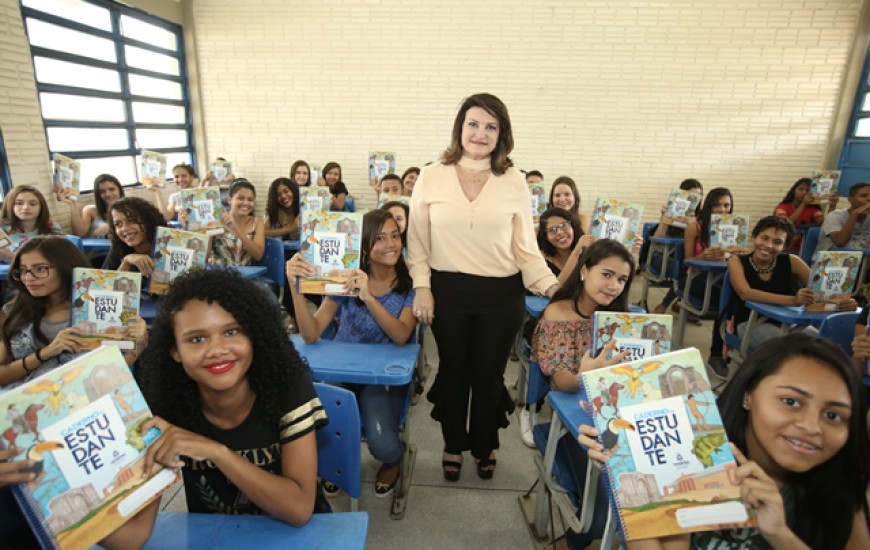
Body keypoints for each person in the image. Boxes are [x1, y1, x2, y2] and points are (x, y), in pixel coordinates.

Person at [579, 333, 870, 550]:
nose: (811, 426)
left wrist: (780, 535)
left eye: (833, 415)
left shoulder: (841, 491)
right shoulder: (693, 461)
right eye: (791, 401)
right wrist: (624, 468)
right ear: (748, 395)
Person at [407, 93, 559, 481]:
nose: (481, 133)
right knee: (454, 372)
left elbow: (526, 249)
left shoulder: (514, 180)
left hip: (501, 295)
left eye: (491, 126)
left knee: (489, 375)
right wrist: (422, 287)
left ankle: (485, 443)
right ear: (460, 128)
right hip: (448, 291)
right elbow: (418, 242)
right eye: (473, 123)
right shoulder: (431, 175)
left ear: (502, 135)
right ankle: (453, 443)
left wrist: (553, 287)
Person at [134, 268, 330, 531]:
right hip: (219, 537)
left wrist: (216, 452)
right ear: (175, 351)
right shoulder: (168, 402)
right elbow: (134, 537)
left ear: (253, 335)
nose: (217, 350)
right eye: (197, 339)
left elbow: (299, 509)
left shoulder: (287, 387)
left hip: (302, 536)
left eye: (231, 332)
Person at [286, 209, 415, 498]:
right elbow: (311, 333)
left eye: (395, 236)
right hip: (341, 370)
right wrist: (297, 289)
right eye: (380, 238)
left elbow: (401, 334)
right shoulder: (345, 279)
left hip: (381, 378)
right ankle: (335, 463)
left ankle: (395, 458)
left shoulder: (410, 287)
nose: (392, 243)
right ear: (364, 246)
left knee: (381, 443)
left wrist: (368, 297)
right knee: (326, 425)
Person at [530, 239, 634, 550]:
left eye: (622, 279)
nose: (614, 285)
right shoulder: (557, 314)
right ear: (584, 271)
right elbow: (560, 380)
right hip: (574, 425)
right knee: (602, 519)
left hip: (620, 421)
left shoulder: (623, 320)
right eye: (607, 274)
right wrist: (585, 375)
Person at [0, 236, 146, 389]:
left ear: (64, 266)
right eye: (23, 271)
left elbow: (114, 372)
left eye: (40, 269)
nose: (28, 278)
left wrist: (140, 342)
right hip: (22, 401)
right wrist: (46, 352)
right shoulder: (15, 311)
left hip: (83, 398)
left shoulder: (95, 307)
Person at [725, 215, 855, 357]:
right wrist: (793, 300)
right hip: (751, 324)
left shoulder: (792, 261)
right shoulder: (736, 261)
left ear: (785, 247)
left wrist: (844, 302)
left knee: (828, 349)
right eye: (764, 238)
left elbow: (822, 290)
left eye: (777, 242)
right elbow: (746, 293)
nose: (768, 245)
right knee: (793, 353)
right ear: (754, 237)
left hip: (790, 324)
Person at [647, 178, 704, 313]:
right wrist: (665, 218)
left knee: (693, 272)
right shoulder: (673, 209)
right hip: (662, 256)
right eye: (691, 196)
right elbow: (657, 238)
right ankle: (666, 305)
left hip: (685, 260)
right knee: (685, 272)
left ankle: (681, 302)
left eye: (699, 196)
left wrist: (694, 226)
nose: (695, 200)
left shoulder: (700, 218)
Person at [103, 197, 167, 283]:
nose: (124, 228)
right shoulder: (118, 247)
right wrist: (126, 262)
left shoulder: (168, 243)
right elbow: (105, 290)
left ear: (148, 220)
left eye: (131, 220)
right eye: (118, 224)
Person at [0, 185, 65, 263]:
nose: (26, 207)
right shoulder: (2, 229)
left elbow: (59, 257)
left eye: (32, 204)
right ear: (10, 206)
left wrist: (12, 256)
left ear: (41, 207)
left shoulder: (52, 228)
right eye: (19, 203)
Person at [209, 179, 265, 266]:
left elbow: (258, 255)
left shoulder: (257, 222)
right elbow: (202, 259)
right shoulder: (217, 221)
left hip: (245, 277)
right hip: (218, 275)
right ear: (229, 200)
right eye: (241, 198)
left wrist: (236, 230)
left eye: (250, 200)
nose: (246, 203)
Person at [536, 207, 596, 286]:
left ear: (573, 226)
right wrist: (576, 251)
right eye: (552, 230)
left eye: (564, 225)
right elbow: (557, 289)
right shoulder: (541, 260)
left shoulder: (587, 251)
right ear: (545, 236)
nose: (560, 232)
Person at [773, 177, 830, 251]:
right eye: (800, 189)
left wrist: (832, 206)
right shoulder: (782, 207)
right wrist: (803, 204)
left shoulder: (813, 209)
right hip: (783, 247)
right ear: (794, 191)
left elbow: (825, 225)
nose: (804, 193)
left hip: (804, 248)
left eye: (808, 190)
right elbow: (786, 224)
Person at [815, 181, 870, 254]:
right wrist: (855, 214)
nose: (869, 199)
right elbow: (840, 242)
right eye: (864, 196)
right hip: (831, 260)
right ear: (851, 199)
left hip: (863, 260)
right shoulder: (835, 216)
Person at [74, 173, 126, 238]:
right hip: (97, 247)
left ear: (119, 190)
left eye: (111, 189)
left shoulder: (129, 209)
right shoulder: (90, 210)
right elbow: (80, 233)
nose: (108, 194)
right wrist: (72, 204)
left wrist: (111, 227)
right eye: (102, 191)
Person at [264, 177, 300, 242]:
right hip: (284, 251)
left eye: (286, 191)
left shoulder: (303, 208)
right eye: (279, 195)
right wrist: (291, 228)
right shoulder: (275, 212)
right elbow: (262, 233)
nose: (283, 196)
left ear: (293, 191)